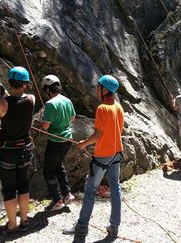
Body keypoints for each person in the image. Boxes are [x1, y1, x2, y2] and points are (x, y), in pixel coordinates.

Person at [63, 75, 124, 239]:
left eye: (98, 87)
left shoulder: (102, 108)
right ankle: (114, 227)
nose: (97, 90)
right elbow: (119, 130)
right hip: (117, 153)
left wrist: (83, 143)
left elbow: (98, 135)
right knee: (115, 188)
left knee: (90, 190)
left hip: (103, 155)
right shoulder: (118, 107)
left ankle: (82, 228)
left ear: (105, 90)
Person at [0, 66, 35, 233]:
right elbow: (18, 101)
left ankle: (12, 225)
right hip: (25, 151)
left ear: (9, 82)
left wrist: (3, 98)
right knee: (23, 184)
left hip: (7, 152)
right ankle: (25, 220)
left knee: (9, 188)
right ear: (26, 84)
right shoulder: (31, 99)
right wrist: (6, 96)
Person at [40, 75, 77, 211]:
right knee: (58, 166)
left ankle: (57, 200)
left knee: (48, 170)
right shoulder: (67, 100)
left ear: (47, 89)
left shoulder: (50, 104)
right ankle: (67, 194)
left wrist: (43, 119)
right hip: (67, 140)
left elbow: (45, 126)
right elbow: (72, 118)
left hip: (55, 141)